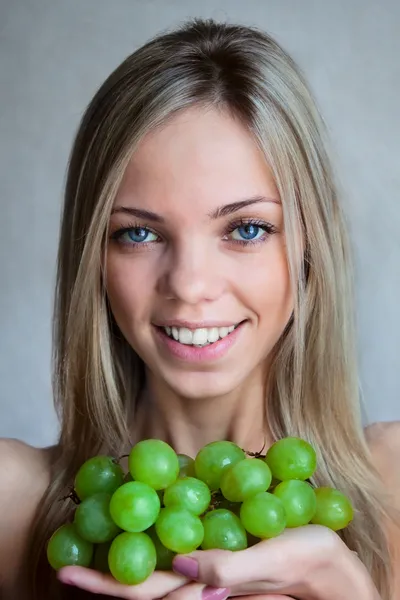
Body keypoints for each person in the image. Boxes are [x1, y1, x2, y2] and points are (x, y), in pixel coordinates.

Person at [0, 16, 399, 600]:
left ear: (310, 242)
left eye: (247, 228)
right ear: (92, 256)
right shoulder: (10, 504)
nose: (189, 285)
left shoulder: (396, 488)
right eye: (137, 234)